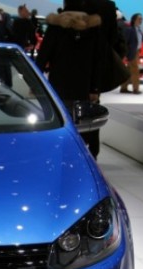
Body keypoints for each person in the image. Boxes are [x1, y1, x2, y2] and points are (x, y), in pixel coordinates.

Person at [36, 0, 102, 159]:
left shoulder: (56, 26)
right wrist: (95, 88)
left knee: (60, 123)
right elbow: (99, 59)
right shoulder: (92, 28)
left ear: (65, 3)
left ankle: (61, 156)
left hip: (59, 85)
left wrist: (35, 82)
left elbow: (43, 56)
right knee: (85, 125)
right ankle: (87, 158)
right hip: (84, 86)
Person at [119, 13, 143, 94]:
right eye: (139, 19)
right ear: (134, 20)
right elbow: (125, 42)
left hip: (137, 51)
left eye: (141, 19)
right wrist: (126, 53)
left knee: (128, 71)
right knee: (135, 71)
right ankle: (136, 89)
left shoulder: (139, 29)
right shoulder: (130, 29)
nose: (141, 20)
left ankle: (123, 87)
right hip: (131, 53)